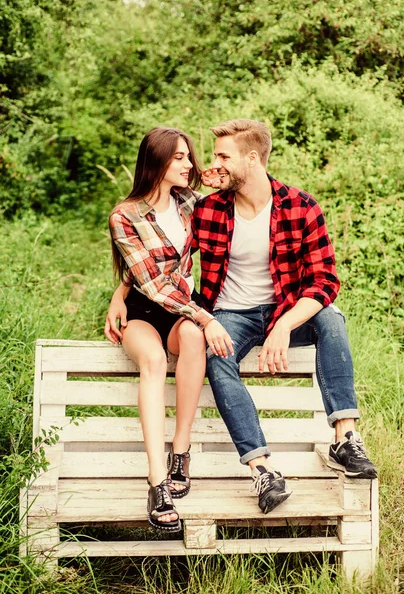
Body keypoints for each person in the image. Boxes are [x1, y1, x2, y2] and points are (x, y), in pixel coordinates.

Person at [107, 119, 377, 517]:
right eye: (209, 157)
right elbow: (159, 262)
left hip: (284, 311)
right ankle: (262, 470)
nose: (210, 164)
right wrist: (122, 291)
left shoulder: (300, 207)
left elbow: (325, 281)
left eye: (221, 156)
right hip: (230, 313)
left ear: (252, 159)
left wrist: (284, 325)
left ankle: (346, 436)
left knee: (331, 318)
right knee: (217, 352)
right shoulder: (207, 209)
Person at [106, 126, 233, 532]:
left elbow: (238, 207)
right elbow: (152, 281)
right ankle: (157, 480)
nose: (189, 164)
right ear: (157, 161)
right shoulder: (124, 215)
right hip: (142, 312)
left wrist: (223, 185)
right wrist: (205, 315)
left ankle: (181, 453)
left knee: (193, 337)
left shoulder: (190, 204)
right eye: (179, 157)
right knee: (156, 360)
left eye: (189, 157)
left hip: (182, 311)